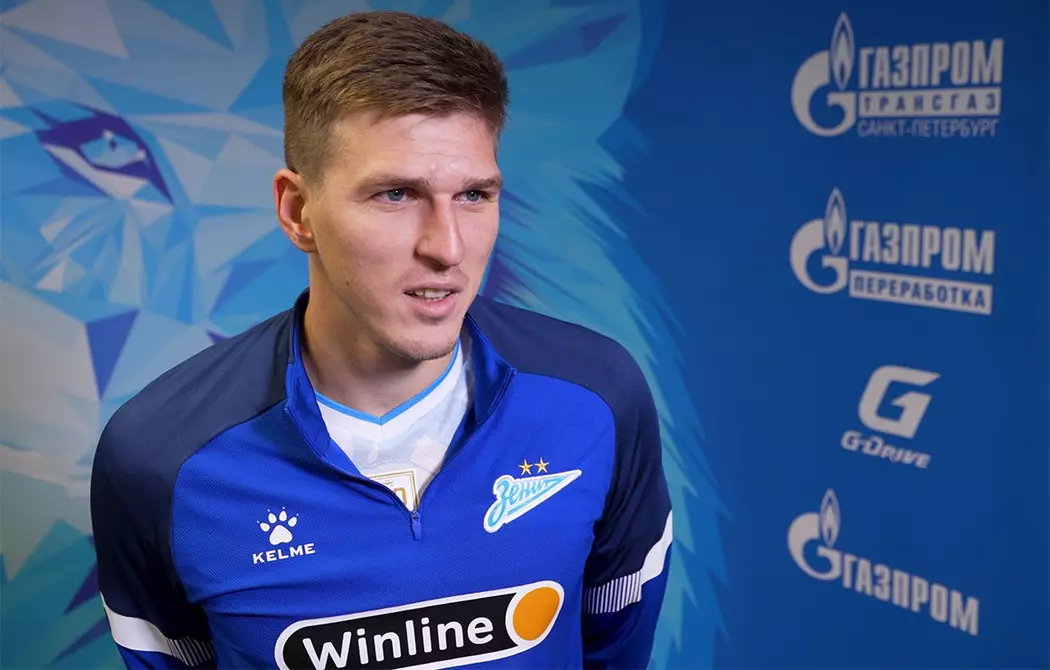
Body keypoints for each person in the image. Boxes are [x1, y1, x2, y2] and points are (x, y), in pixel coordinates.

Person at [90, 10, 673, 670]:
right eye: (397, 194)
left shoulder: (595, 399)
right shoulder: (163, 459)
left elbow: (615, 650)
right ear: (297, 212)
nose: (447, 248)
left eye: (474, 195)